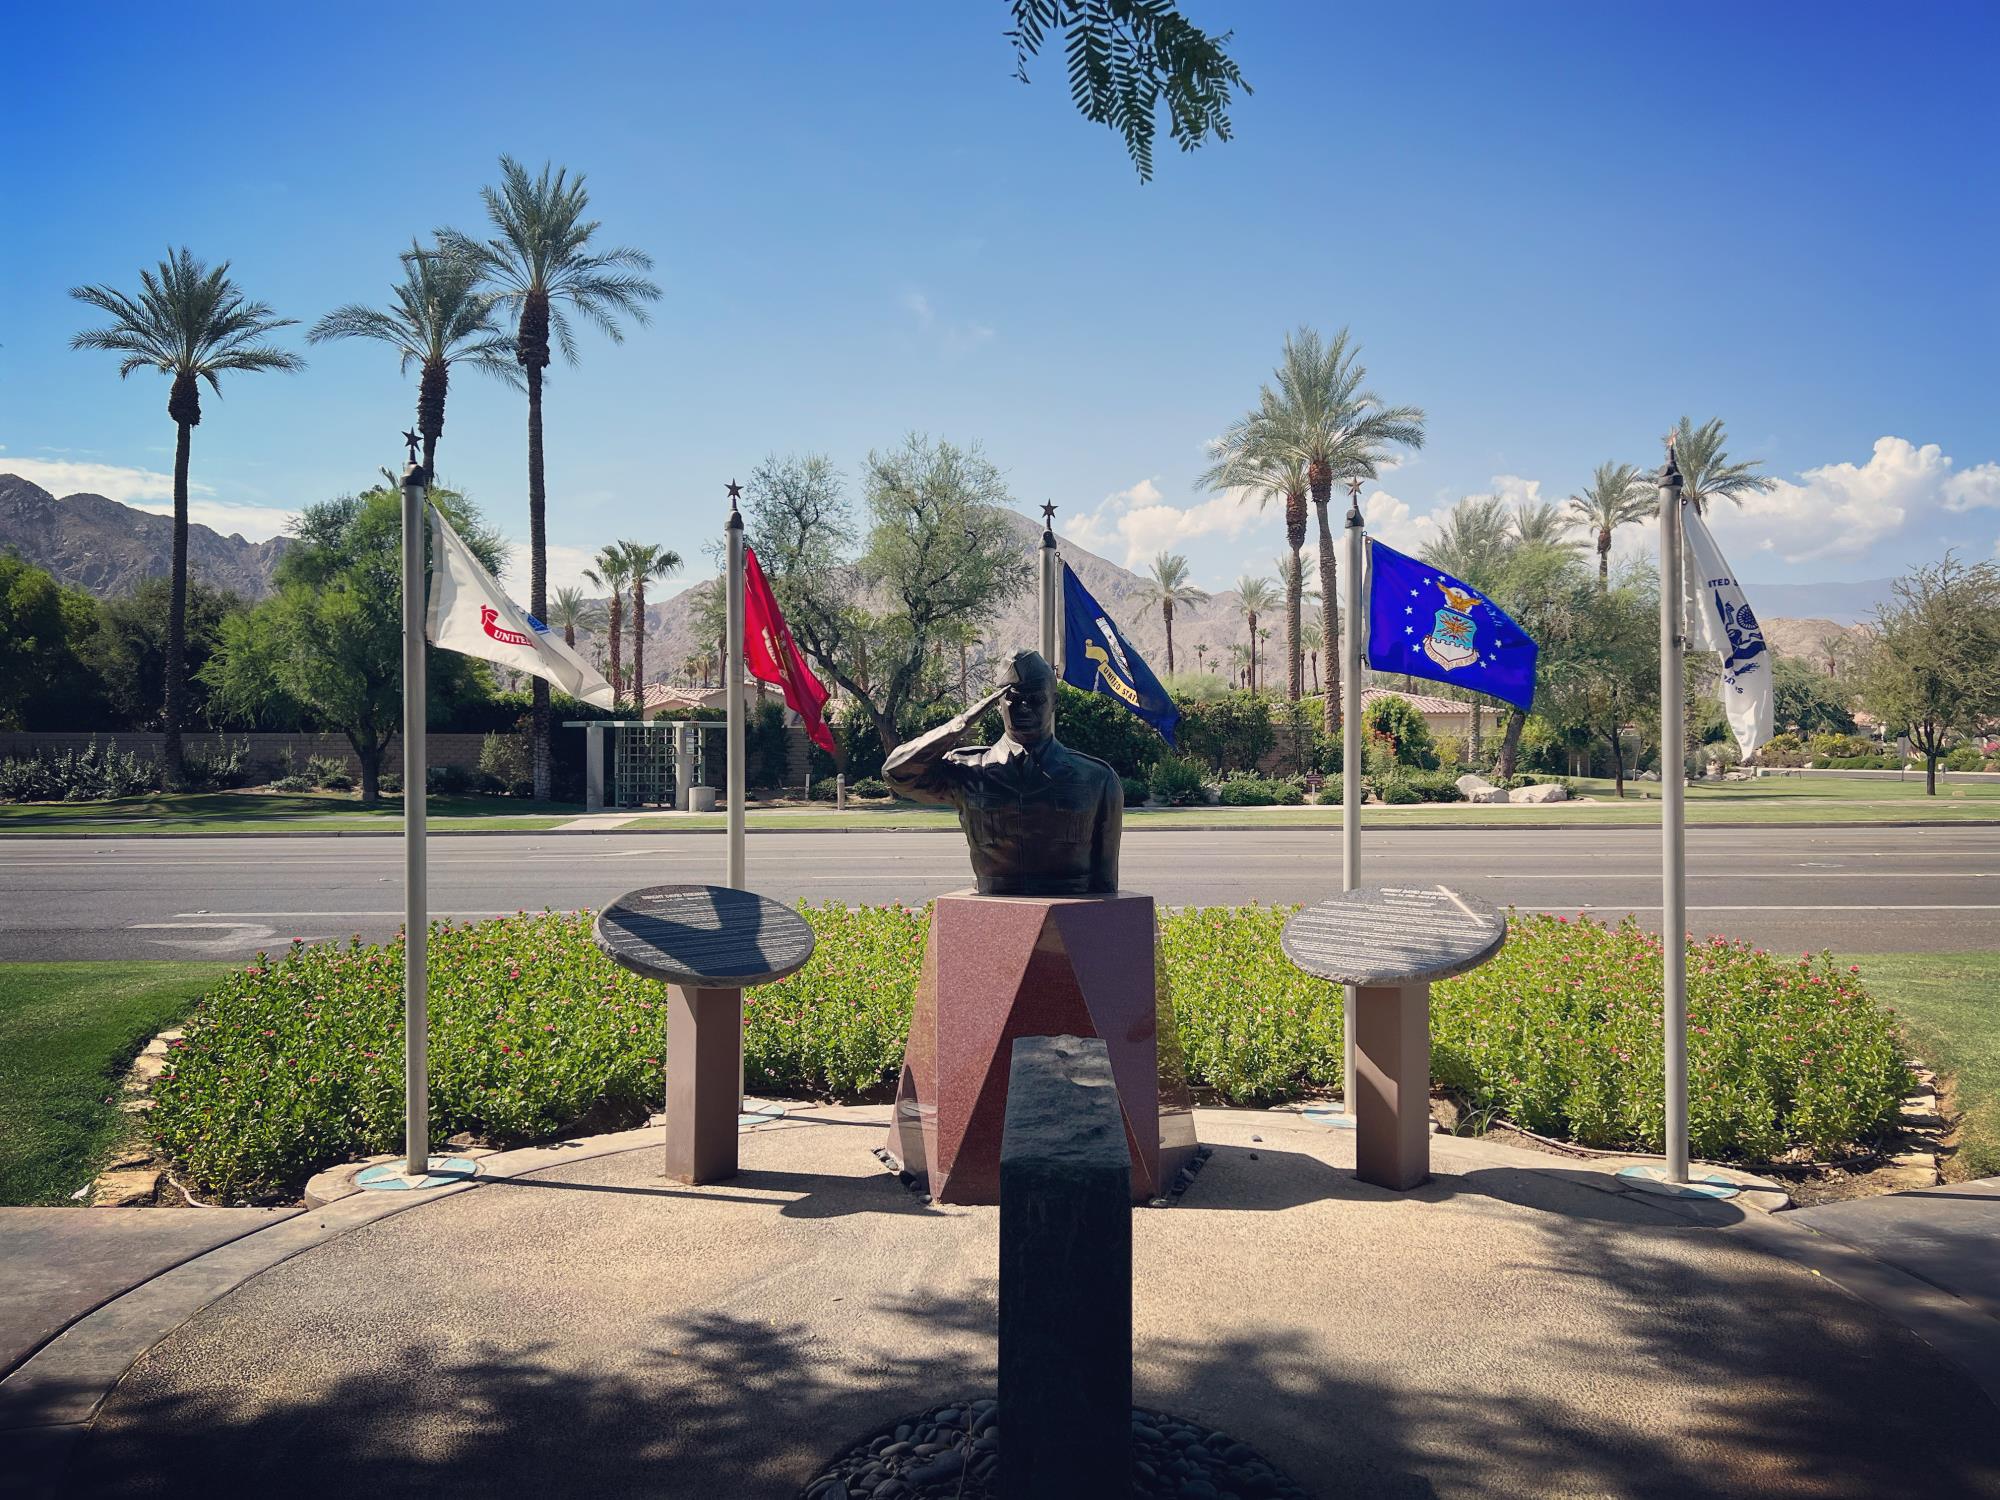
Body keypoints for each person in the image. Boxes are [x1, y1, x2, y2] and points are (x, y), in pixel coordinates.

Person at [883, 649, 1121, 895]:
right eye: (1013, 699)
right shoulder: (969, 770)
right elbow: (896, 772)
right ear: (996, 703)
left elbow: (1105, 881)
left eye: (1036, 699)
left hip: (1072, 906)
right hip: (993, 901)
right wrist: (960, 724)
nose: (1024, 708)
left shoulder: (1096, 778)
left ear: (1054, 702)